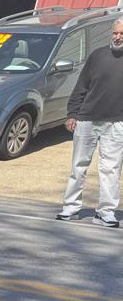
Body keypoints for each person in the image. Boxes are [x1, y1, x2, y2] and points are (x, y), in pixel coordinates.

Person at [58, 18, 123, 227]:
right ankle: (70, 207)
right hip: (87, 119)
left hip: (116, 123)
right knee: (78, 165)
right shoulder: (97, 56)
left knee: (111, 169)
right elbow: (81, 86)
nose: (118, 37)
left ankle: (105, 212)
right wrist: (72, 114)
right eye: (115, 33)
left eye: (122, 34)